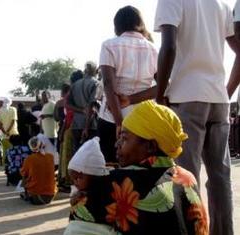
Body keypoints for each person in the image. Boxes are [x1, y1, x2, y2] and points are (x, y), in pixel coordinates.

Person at [154, 1, 240, 234]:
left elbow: (169, 46)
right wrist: (227, 91)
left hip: (187, 96)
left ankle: (193, 231)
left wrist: (159, 95)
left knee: (186, 176)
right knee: (220, 176)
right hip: (218, 99)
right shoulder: (221, 4)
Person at [65, 100, 208, 234]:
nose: (117, 144)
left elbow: (79, 209)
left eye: (124, 138)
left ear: (150, 146)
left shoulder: (120, 182)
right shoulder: (187, 178)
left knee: (76, 228)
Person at [98, 5, 157, 163]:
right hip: (144, 119)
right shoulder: (153, 49)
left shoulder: (109, 45)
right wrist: (132, 99)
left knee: (111, 168)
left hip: (111, 118)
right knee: (140, 170)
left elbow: (109, 84)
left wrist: (119, 123)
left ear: (117, 25)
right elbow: (163, 87)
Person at [67, 62, 99, 154]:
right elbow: (91, 106)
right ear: (95, 71)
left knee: (77, 156)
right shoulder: (96, 83)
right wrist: (86, 128)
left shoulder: (75, 84)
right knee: (90, 156)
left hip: (76, 125)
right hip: (91, 126)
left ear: (85, 70)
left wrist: (80, 110)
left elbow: (68, 104)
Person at [20, 136, 57, 205]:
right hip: (51, 195)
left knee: (24, 178)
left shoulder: (29, 159)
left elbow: (23, 174)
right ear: (42, 145)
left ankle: (26, 193)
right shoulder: (50, 156)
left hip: (36, 197)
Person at [0, 97, 19, 164]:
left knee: (5, 150)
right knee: (14, 148)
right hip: (13, 133)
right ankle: (14, 163)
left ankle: (5, 164)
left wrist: (4, 132)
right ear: (10, 102)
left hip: (3, 135)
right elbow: (13, 121)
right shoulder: (13, 109)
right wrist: (8, 131)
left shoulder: (0, 110)